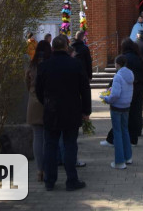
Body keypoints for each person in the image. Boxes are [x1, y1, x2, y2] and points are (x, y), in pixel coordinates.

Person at [36, 34, 91, 192]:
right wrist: (86, 110)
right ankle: (71, 180)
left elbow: (39, 90)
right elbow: (84, 88)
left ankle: (49, 180)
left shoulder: (44, 66)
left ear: (52, 48)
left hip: (51, 110)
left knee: (50, 146)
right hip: (71, 110)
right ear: (67, 47)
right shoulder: (75, 64)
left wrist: (46, 102)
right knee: (69, 146)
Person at [101, 38, 143, 146]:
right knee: (135, 114)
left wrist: (110, 87)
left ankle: (111, 139)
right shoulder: (139, 58)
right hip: (139, 88)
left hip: (126, 90)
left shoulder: (125, 59)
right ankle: (133, 139)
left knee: (121, 115)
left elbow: (118, 75)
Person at [101, 55, 134, 170]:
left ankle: (119, 161)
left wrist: (105, 98)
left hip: (117, 106)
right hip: (126, 106)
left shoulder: (118, 76)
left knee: (118, 133)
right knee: (125, 131)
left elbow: (115, 95)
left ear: (117, 64)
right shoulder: (130, 74)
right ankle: (128, 156)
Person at [26, 39, 52, 181]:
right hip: (48, 102)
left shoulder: (32, 65)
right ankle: (48, 169)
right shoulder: (50, 65)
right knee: (49, 138)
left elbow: (26, 83)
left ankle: (39, 170)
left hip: (34, 103)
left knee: (37, 137)